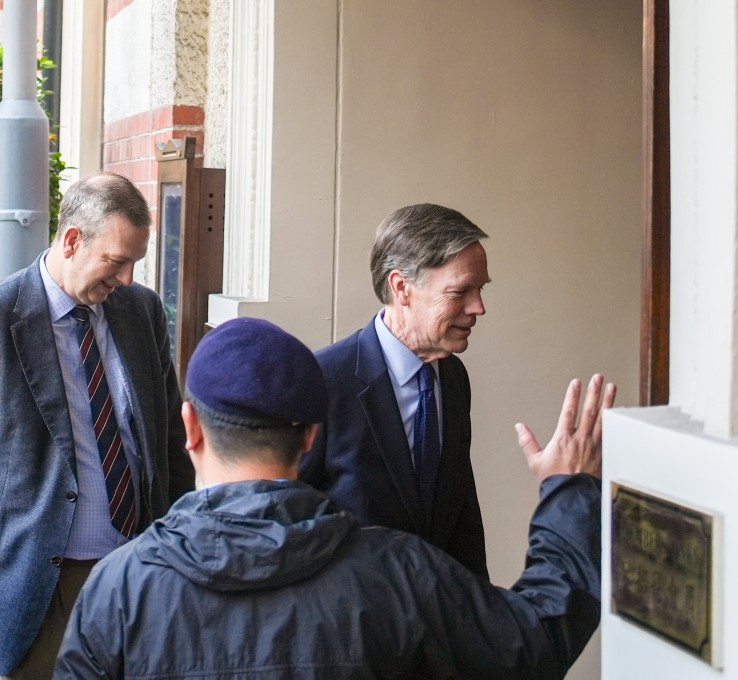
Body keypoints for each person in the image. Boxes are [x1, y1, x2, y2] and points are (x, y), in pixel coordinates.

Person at [54, 317, 615, 679]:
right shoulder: (399, 573)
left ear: (191, 428)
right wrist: (567, 489)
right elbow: (534, 644)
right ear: (311, 437)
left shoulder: (120, 587)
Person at [0, 172, 194, 679]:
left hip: (141, 573)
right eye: (117, 260)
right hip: (40, 589)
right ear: (71, 240)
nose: (127, 278)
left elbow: (171, 441)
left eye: (136, 262)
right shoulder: (4, 319)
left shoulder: (141, 310)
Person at [300, 203, 491, 577]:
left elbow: (460, 513)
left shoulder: (453, 379)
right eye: (461, 291)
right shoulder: (323, 381)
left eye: (480, 289)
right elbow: (293, 521)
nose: (479, 307)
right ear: (401, 287)